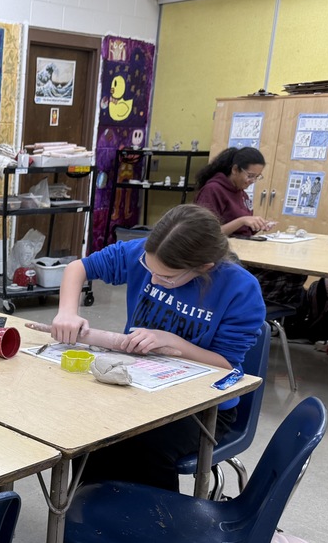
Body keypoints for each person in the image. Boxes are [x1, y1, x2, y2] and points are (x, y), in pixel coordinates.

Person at [50, 203, 265, 492]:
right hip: (137, 384)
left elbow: (226, 366)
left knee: (142, 443)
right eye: (149, 270)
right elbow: (78, 268)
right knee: (89, 427)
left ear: (203, 268)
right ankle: (87, 514)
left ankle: (159, 527)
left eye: (166, 278)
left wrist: (173, 342)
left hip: (204, 406)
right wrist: (67, 312)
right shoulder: (143, 253)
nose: (153, 280)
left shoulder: (240, 290)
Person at [194, 146, 308, 309]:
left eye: (257, 177)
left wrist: (256, 225)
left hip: (243, 251)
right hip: (224, 257)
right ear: (235, 170)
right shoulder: (213, 190)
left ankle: (268, 314)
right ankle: (246, 307)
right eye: (250, 176)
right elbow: (205, 233)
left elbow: (241, 227)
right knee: (286, 277)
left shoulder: (241, 193)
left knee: (297, 273)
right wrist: (242, 221)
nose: (252, 181)